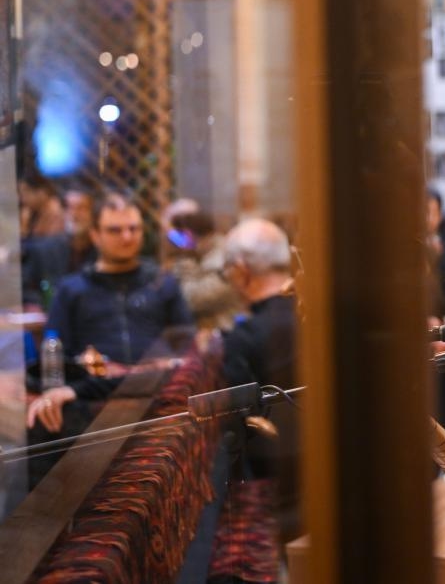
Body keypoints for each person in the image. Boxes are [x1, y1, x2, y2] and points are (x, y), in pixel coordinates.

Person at [26, 191, 193, 432]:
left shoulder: (161, 283)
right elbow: (57, 358)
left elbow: (187, 348)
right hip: (92, 406)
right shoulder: (72, 290)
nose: (127, 237)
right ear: (95, 235)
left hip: (159, 399)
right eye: (115, 230)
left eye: (134, 229)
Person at [217, 217, 301, 544]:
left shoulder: (242, 339)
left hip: (277, 490)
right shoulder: (316, 314)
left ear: (241, 271)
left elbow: (238, 426)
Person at [21, 185, 97, 309]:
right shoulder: (44, 250)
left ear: (94, 214)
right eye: (68, 208)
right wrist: (36, 305)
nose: (74, 214)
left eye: (81, 208)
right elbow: (25, 289)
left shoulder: (103, 251)